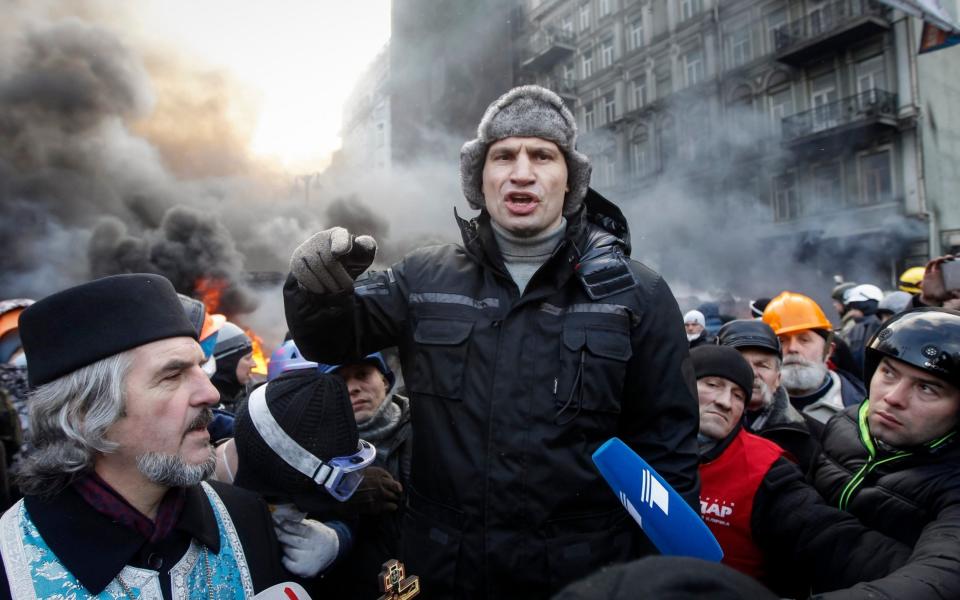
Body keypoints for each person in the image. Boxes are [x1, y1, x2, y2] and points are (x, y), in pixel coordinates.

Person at [283, 84, 699, 598]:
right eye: (503, 156)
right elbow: (330, 338)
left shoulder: (639, 294)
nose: (521, 171)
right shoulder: (423, 276)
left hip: (584, 580)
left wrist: (651, 581)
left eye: (543, 155)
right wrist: (314, 287)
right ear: (479, 179)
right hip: (443, 576)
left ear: (571, 180)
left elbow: (667, 455)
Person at [0, 274, 285, 599]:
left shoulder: (244, 516)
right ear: (84, 413)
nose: (210, 393)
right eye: (173, 375)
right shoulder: (11, 564)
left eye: (201, 368)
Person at [692, 345, 910, 596]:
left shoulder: (765, 469)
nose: (725, 402)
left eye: (739, 395)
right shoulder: (641, 446)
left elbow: (831, 537)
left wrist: (925, 577)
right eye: (712, 384)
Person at [809, 308, 960, 598]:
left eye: (927, 388)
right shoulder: (844, 424)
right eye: (889, 372)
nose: (893, 398)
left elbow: (940, 576)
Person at [318, 352, 412, 598]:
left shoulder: (428, 429)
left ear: (385, 380)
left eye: (362, 375)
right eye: (340, 382)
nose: (353, 389)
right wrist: (338, 494)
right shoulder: (315, 455)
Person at [716, 320, 817, 472]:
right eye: (740, 363)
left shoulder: (809, 435)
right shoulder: (691, 428)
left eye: (762, 365)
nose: (751, 374)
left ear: (778, 378)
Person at [762, 291, 865, 436]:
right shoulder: (750, 409)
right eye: (782, 341)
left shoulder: (864, 410)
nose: (793, 349)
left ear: (828, 350)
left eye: (804, 339)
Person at [837, 284, 884, 371]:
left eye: (855, 307)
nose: (851, 312)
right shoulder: (857, 327)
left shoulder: (876, 326)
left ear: (866, 306)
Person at [210, 321, 254, 412]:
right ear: (228, 364)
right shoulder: (207, 408)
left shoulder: (252, 394)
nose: (254, 364)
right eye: (248, 358)